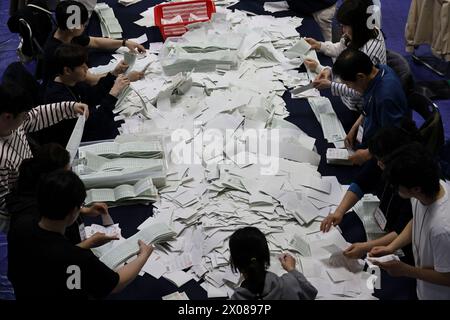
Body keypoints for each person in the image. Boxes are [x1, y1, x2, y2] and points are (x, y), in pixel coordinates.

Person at [8, 170, 154, 299]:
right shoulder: (77, 258)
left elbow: (47, 254)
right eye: (81, 206)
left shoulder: (19, 226)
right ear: (73, 212)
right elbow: (116, 284)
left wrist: (88, 242)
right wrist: (143, 255)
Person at [320, 125, 417, 264]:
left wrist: (365, 247)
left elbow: (403, 230)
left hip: (404, 245)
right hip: (382, 219)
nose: (377, 164)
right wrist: (339, 212)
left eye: (381, 162)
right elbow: (362, 182)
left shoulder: (409, 186)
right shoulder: (382, 158)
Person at [0, 82, 88, 233]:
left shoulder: (13, 122)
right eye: (23, 115)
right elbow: (5, 206)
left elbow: (36, 115)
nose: (26, 117)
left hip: (37, 194)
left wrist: (70, 107)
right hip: (27, 214)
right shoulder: (1, 160)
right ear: (8, 116)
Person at [369, 143, 450, 300]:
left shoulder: (443, 229)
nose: (396, 190)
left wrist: (405, 270)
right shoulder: (428, 191)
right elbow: (417, 221)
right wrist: (391, 247)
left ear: (416, 189)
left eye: (398, 186)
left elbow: (447, 277)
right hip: (423, 287)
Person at [7, 143, 115, 248]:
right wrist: (88, 244)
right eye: (67, 173)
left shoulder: (42, 190)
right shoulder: (31, 217)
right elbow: (51, 255)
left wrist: (83, 211)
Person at [35, 43, 128, 146]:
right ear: (67, 70)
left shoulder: (71, 80)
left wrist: (113, 74)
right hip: (77, 140)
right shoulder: (58, 98)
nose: (87, 68)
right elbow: (95, 123)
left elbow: (92, 95)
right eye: (82, 66)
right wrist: (113, 94)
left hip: (89, 124)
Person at [304, 0, 386, 112]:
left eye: (346, 26)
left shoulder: (367, 53)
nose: (343, 30)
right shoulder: (364, 31)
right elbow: (342, 48)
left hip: (358, 107)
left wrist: (330, 83)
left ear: (358, 25)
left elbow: (360, 89)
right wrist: (319, 45)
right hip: (345, 92)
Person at [330, 49, 408, 165]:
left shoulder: (385, 98)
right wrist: (355, 126)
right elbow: (369, 105)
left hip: (381, 152)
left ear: (360, 77)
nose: (349, 88)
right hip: (370, 135)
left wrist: (367, 154)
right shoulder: (379, 70)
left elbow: (392, 137)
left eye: (348, 84)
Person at [43, 1, 145, 84]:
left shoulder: (67, 32)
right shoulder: (60, 52)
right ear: (72, 27)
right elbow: (92, 80)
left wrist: (124, 42)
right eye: (82, 24)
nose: (84, 26)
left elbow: (95, 42)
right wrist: (125, 77)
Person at [229, 227, 317, 300]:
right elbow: (311, 292)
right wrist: (292, 270)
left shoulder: (238, 298)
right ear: (266, 256)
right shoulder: (289, 283)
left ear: (236, 264)